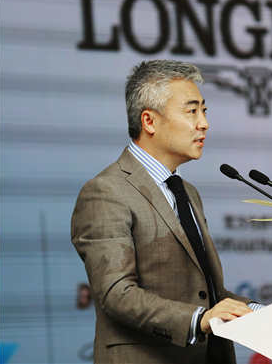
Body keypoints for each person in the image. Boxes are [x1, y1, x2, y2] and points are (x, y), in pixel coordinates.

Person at [71, 60, 255, 364]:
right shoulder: (106, 192)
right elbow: (116, 293)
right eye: (191, 111)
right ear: (149, 121)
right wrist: (198, 320)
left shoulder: (187, 192)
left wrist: (263, 312)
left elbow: (206, 292)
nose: (204, 123)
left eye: (204, 111)